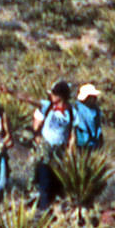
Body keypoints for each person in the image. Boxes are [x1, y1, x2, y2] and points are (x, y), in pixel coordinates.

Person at [32, 79, 75, 211]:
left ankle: (52, 209)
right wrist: (11, 92)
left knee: (57, 181)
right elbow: (29, 99)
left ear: (59, 96)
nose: (51, 96)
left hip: (60, 151)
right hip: (46, 149)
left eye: (53, 94)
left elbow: (72, 134)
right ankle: (43, 210)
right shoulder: (47, 106)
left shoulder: (71, 111)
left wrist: (71, 152)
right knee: (44, 179)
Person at [72, 84, 104, 151]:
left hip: (94, 145)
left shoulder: (96, 110)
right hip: (81, 145)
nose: (95, 98)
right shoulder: (77, 109)